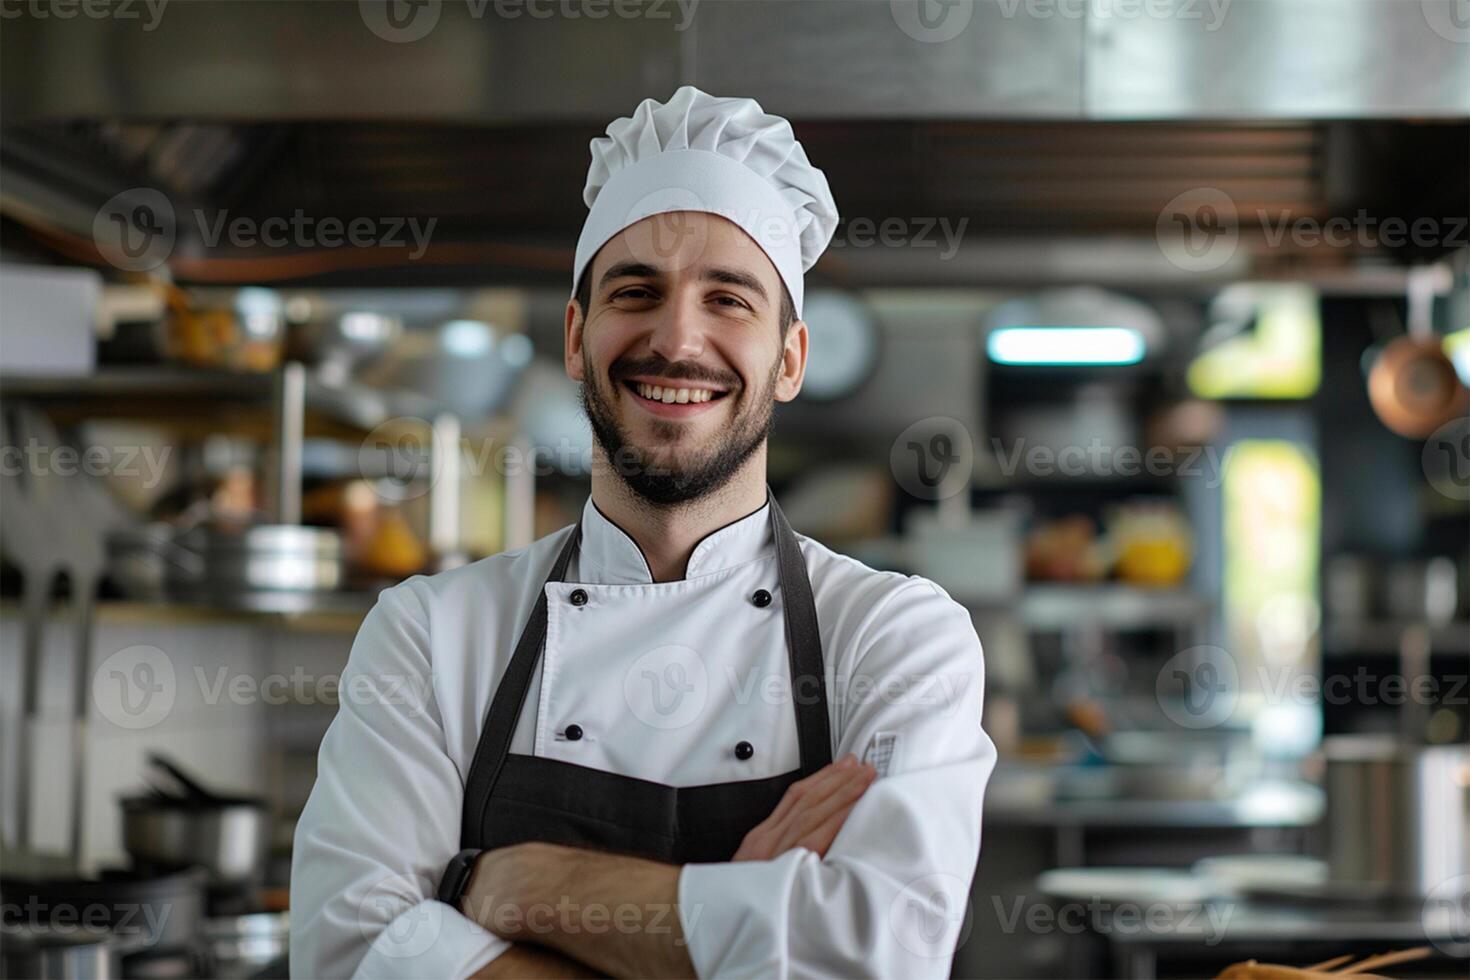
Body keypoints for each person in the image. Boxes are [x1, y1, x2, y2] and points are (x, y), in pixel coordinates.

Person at [290, 86, 996, 979]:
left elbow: (880, 952)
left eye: (729, 299)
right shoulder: (430, 634)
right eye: (637, 291)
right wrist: (735, 930)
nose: (676, 339)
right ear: (578, 334)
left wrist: (522, 888)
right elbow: (346, 954)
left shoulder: (896, 637)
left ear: (789, 359)